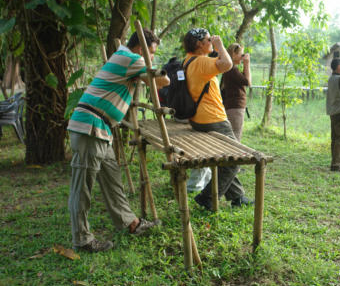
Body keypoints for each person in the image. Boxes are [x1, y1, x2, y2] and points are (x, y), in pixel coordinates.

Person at [67, 29, 164, 252]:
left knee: (112, 178)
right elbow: (159, 82)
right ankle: (82, 239)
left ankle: (130, 222)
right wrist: (166, 71)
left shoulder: (125, 56)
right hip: (90, 128)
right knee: (82, 188)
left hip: (100, 129)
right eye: (151, 53)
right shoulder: (132, 58)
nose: (151, 57)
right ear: (141, 49)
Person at [183, 28, 253, 210]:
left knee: (228, 158)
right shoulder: (201, 62)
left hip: (199, 118)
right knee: (236, 158)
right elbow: (227, 64)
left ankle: (237, 196)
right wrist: (220, 45)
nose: (211, 42)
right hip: (213, 118)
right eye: (208, 40)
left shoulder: (188, 60)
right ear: (199, 44)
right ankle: (207, 198)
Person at [220, 43, 251, 142]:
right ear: (234, 55)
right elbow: (247, 81)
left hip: (230, 106)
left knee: (231, 135)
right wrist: (247, 64)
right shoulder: (232, 69)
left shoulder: (228, 69)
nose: (242, 58)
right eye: (241, 55)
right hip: (235, 107)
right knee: (235, 136)